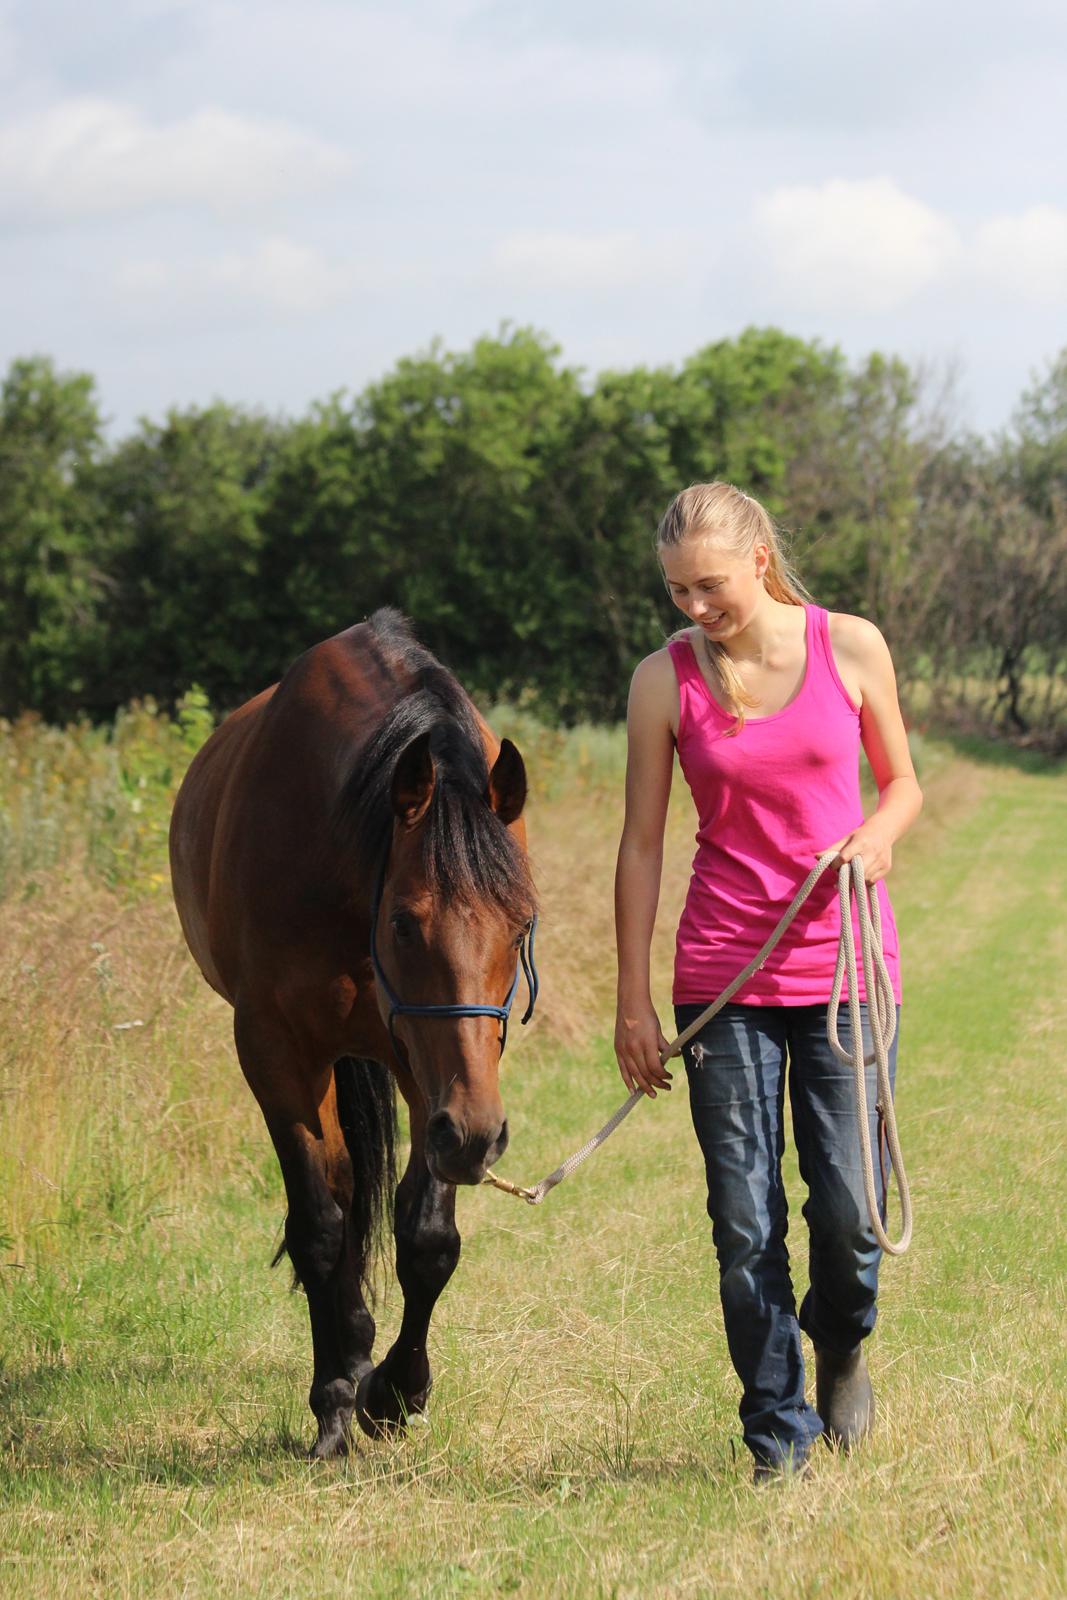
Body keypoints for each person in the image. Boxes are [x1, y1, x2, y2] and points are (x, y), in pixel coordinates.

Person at [613, 482, 922, 1483]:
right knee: (743, 1219)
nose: (693, 609)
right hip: (721, 980)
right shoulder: (662, 682)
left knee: (844, 1211)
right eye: (675, 593)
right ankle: (775, 1439)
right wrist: (630, 997)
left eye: (708, 586)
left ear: (757, 558)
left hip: (842, 973)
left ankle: (840, 1343)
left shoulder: (851, 646)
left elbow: (901, 782)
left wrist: (875, 834)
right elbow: (641, 843)